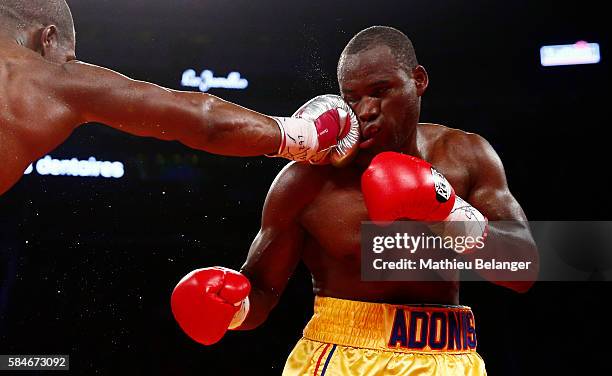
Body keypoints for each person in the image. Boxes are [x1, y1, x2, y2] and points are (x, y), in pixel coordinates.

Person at [171, 26, 539, 375]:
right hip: (342, 357)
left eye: (380, 90)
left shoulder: (466, 156)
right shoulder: (308, 180)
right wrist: (232, 308)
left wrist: (447, 211)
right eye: (353, 98)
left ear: (418, 80)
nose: (366, 110)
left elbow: (524, 270)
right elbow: (262, 289)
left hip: (452, 356)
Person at [0, 0, 360, 196]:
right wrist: (305, 136)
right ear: (47, 38)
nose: (68, 65)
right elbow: (201, 119)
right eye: (69, 56)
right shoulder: (47, 77)